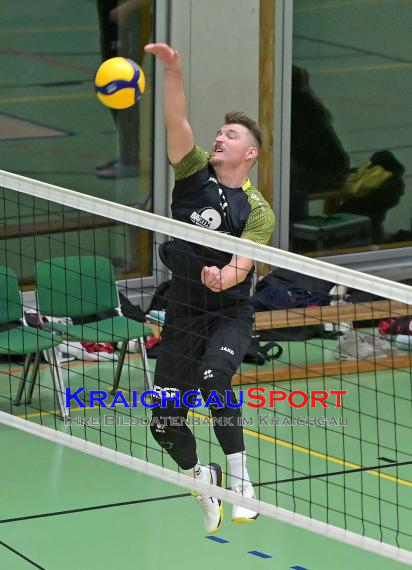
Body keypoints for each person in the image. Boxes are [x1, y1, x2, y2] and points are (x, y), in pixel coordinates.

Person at [144, 42, 275, 534]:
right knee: (164, 424)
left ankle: (241, 482)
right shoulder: (193, 173)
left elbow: (243, 264)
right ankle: (202, 477)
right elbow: (177, 122)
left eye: (231, 134)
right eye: (219, 131)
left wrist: (226, 274)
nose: (220, 137)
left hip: (229, 314)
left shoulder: (258, 209)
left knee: (215, 380)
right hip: (182, 312)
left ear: (250, 152)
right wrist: (173, 70)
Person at [96, 0, 151, 178]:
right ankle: (127, 154)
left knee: (123, 87)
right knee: (110, 86)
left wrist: (129, 7)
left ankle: (131, 160)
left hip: (130, 20)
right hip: (111, 18)